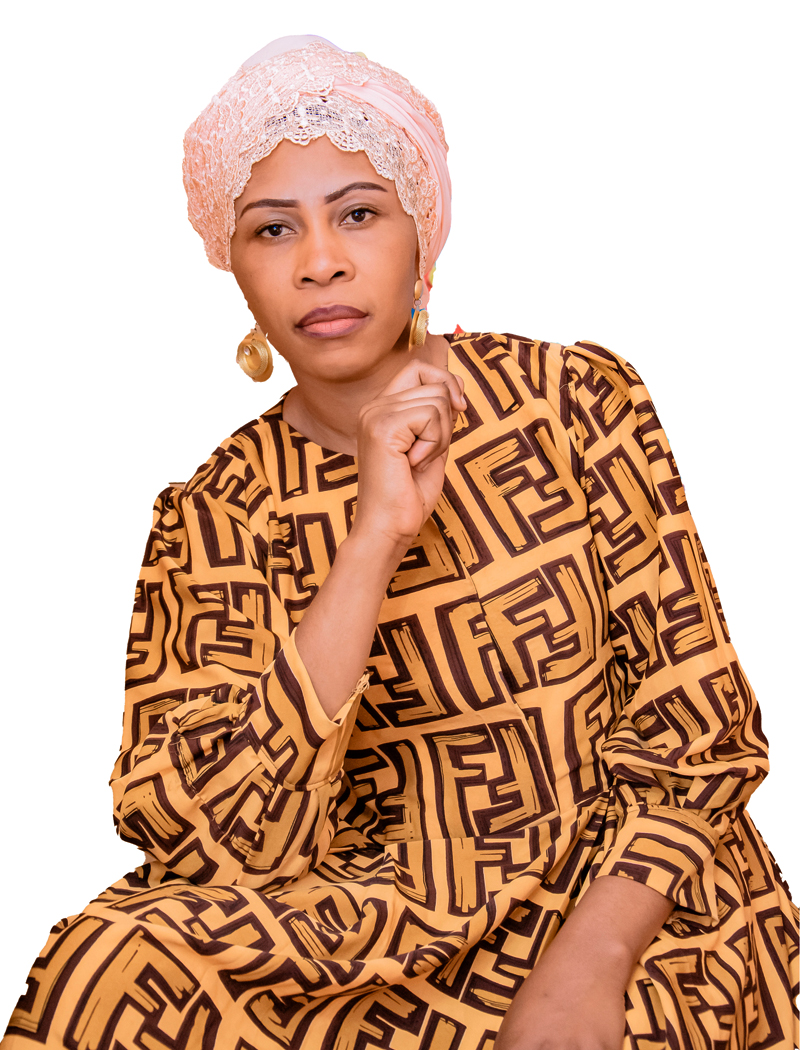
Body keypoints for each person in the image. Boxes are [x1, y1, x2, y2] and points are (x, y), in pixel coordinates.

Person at [3, 34, 798, 1050]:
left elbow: (701, 727)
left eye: (358, 214)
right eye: (273, 229)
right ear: (234, 268)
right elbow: (212, 846)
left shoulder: (572, 402)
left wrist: (588, 967)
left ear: (423, 236)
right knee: (111, 966)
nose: (320, 261)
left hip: (629, 888)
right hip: (381, 911)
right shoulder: (216, 510)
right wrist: (374, 536)